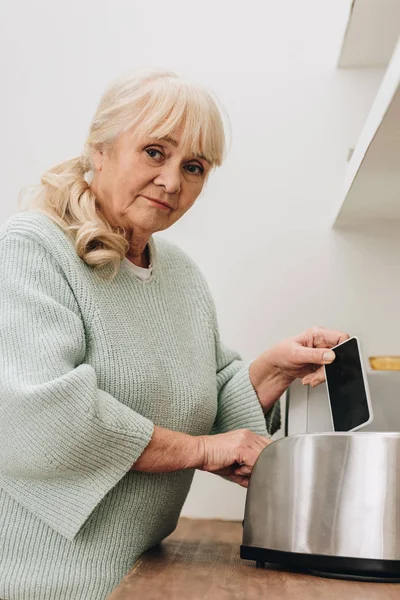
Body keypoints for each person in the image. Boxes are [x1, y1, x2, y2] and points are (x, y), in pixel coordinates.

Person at [0, 68, 348, 600]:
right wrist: (204, 451)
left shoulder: (179, 273)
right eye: (154, 152)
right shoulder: (29, 248)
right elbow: (45, 416)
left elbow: (205, 402)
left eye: (194, 167)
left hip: (142, 568)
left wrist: (271, 370)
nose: (172, 182)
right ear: (100, 149)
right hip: (48, 582)